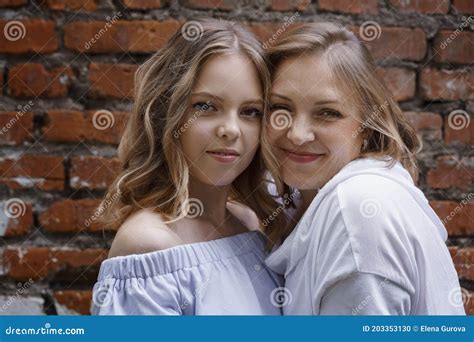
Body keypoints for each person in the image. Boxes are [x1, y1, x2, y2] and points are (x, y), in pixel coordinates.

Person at [261, 22, 466, 315]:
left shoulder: (356, 209)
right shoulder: (302, 202)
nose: (297, 134)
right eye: (280, 107)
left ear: (367, 128)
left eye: (327, 113)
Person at [91, 18, 283, 315]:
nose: (231, 129)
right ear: (168, 113)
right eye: (206, 106)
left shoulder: (249, 223)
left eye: (250, 111)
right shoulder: (149, 245)